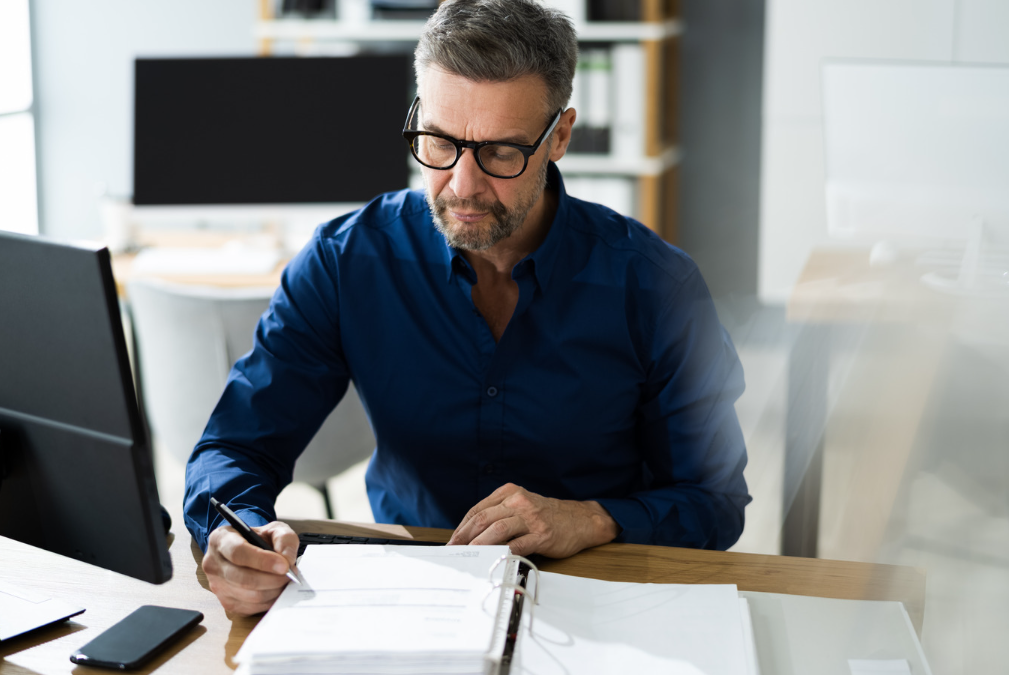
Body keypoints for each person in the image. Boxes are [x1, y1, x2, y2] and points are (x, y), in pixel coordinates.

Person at [184, 0, 750, 616]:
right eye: (439, 142)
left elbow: (714, 501)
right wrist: (231, 530)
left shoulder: (655, 285)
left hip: (598, 594)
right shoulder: (347, 261)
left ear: (559, 135)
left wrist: (592, 519)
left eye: (502, 152)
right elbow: (235, 448)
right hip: (411, 593)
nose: (462, 186)